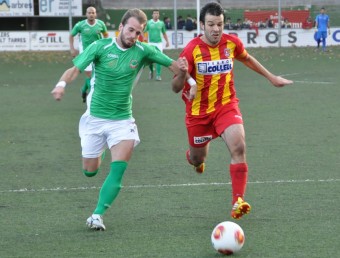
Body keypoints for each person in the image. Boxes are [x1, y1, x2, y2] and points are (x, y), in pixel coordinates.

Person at [52, 8, 191, 231]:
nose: (133, 36)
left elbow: (176, 71)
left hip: (122, 121)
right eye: (130, 30)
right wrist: (61, 86)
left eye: (138, 33)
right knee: (90, 170)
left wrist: (184, 73)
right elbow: (74, 69)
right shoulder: (100, 46)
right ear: (121, 27)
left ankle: (97, 214)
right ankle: (102, 148)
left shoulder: (144, 51)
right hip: (95, 120)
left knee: (118, 170)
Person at [171, 2, 293, 220]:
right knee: (199, 159)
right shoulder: (191, 50)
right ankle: (193, 158)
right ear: (202, 25)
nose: (216, 29)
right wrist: (182, 77)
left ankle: (238, 201)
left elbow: (247, 58)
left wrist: (271, 77)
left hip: (226, 106)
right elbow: (175, 87)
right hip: (199, 114)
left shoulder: (231, 43)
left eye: (219, 24)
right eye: (211, 24)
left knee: (239, 146)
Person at [69, 6, 109, 103]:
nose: (91, 14)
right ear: (86, 14)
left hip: (98, 53)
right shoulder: (80, 25)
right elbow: (71, 35)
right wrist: (72, 49)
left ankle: (83, 90)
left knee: (97, 75)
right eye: (89, 12)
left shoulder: (101, 24)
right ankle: (92, 97)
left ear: (95, 14)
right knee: (90, 75)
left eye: (93, 12)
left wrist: (106, 46)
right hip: (85, 54)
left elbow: (106, 35)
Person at [144, 9, 170, 81]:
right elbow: (143, 31)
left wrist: (167, 41)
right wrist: (144, 37)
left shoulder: (161, 23)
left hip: (159, 43)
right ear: (152, 15)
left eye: (157, 13)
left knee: (159, 59)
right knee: (150, 60)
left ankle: (158, 75)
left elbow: (164, 33)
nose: (156, 14)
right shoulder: (149, 23)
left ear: (159, 15)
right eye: (154, 13)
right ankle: (151, 70)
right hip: (151, 43)